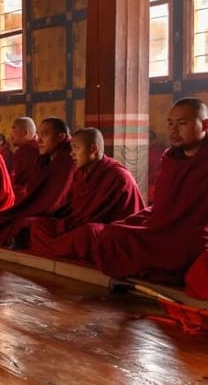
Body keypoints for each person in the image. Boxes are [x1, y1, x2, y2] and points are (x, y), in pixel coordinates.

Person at [52, 99, 208, 285]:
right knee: (112, 234)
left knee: (188, 248)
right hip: (160, 225)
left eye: (182, 123)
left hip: (194, 232)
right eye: (170, 123)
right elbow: (161, 208)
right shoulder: (171, 158)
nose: (173, 130)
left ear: (205, 125)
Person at [29, 127, 144, 257]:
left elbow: (112, 221)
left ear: (93, 149)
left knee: (88, 233)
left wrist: (70, 226)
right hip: (78, 226)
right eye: (72, 148)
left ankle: (55, 249)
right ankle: (62, 249)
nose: (71, 153)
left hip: (109, 232)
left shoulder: (118, 177)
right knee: (38, 224)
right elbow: (75, 210)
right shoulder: (80, 173)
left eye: (76, 148)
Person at [0, 117, 76, 248]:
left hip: (60, 214)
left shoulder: (68, 161)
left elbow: (56, 200)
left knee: (21, 221)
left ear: (61, 137)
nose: (39, 140)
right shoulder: (44, 159)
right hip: (38, 206)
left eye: (45, 134)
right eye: (39, 134)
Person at [10, 117, 40, 201]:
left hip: (29, 196)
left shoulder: (31, 151)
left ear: (25, 133)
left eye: (14, 129)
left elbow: (21, 180)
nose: (11, 135)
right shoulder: (25, 149)